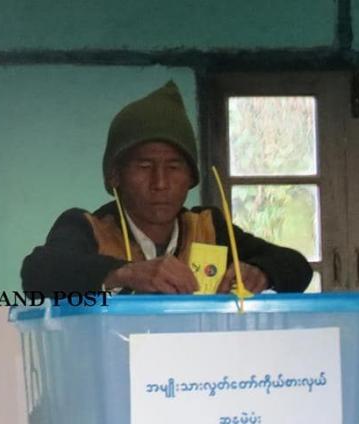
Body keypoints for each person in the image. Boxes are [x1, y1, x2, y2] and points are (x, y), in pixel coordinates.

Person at [21, 81, 311, 295]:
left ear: (191, 179)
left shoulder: (209, 230)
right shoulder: (89, 228)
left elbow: (296, 266)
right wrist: (126, 273)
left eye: (174, 167)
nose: (160, 183)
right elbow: (38, 273)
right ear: (114, 176)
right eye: (144, 167)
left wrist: (261, 273)